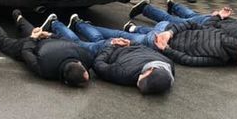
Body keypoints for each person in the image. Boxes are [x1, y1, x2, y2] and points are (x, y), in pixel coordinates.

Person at [45, 13, 175, 94]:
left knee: (95, 40)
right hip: (114, 48)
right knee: (79, 44)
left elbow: (99, 65)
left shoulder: (166, 64)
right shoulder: (127, 73)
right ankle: (56, 24)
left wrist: (118, 44)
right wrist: (123, 43)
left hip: (112, 48)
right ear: (151, 70)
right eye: (142, 79)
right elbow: (98, 65)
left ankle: (77, 24)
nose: (139, 80)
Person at [0, 10, 92, 87]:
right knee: (5, 43)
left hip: (44, 42)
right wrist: (44, 35)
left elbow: (66, 40)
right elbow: (25, 52)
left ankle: (18, 17)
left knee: (33, 32)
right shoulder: (46, 69)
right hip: (41, 43)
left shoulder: (83, 56)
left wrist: (40, 36)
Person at [127, 0, 237, 54]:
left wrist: (218, 15)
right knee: (170, 21)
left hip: (216, 18)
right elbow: (216, 33)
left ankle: (174, 6)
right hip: (207, 25)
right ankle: (145, 8)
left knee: (191, 15)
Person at [151, 21, 237, 67]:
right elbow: (189, 60)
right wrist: (167, 49)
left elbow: (192, 24)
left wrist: (170, 32)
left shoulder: (223, 33)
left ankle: (145, 9)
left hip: (169, 28)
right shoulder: (221, 59)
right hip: (161, 43)